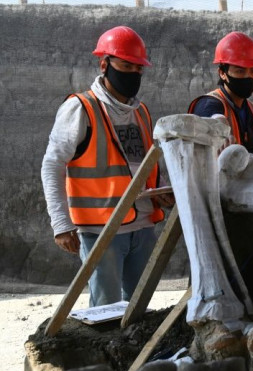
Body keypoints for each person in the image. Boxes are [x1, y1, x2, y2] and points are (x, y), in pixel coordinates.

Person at [41, 25, 173, 307]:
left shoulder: (141, 112)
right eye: (126, 65)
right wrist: (60, 223)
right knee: (106, 312)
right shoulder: (81, 108)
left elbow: (144, 165)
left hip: (143, 227)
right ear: (104, 64)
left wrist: (160, 189)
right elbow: (52, 164)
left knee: (138, 310)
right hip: (102, 231)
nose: (134, 73)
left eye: (139, 68)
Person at [188, 31, 253, 157]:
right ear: (222, 73)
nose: (248, 77)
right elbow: (209, 118)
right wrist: (218, 124)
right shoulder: (209, 103)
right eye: (240, 71)